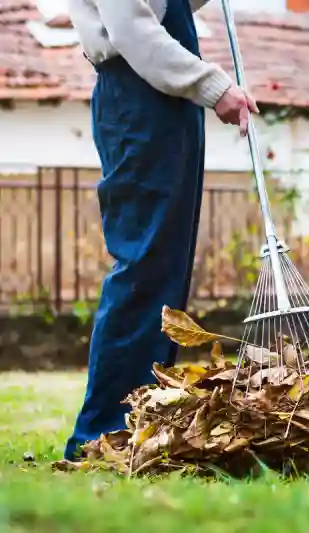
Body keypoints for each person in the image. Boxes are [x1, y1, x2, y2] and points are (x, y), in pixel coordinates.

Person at [64, 0, 257, 460]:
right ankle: (101, 433)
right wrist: (214, 86)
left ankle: (143, 422)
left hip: (165, 102)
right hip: (139, 96)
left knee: (166, 270)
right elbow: (134, 31)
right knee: (144, 266)